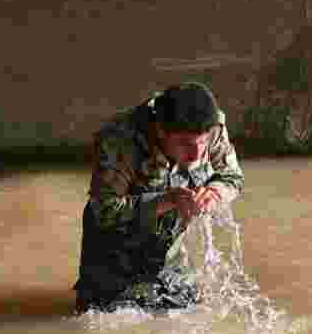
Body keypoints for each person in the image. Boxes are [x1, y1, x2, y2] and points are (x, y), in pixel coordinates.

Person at [73, 82, 245, 314]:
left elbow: (232, 177)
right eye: (185, 144)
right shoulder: (121, 141)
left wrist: (214, 193)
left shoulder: (211, 125)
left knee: (190, 321)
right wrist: (167, 200)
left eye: (202, 143)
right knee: (110, 331)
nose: (196, 154)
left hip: (169, 259)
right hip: (113, 264)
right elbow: (104, 210)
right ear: (161, 132)